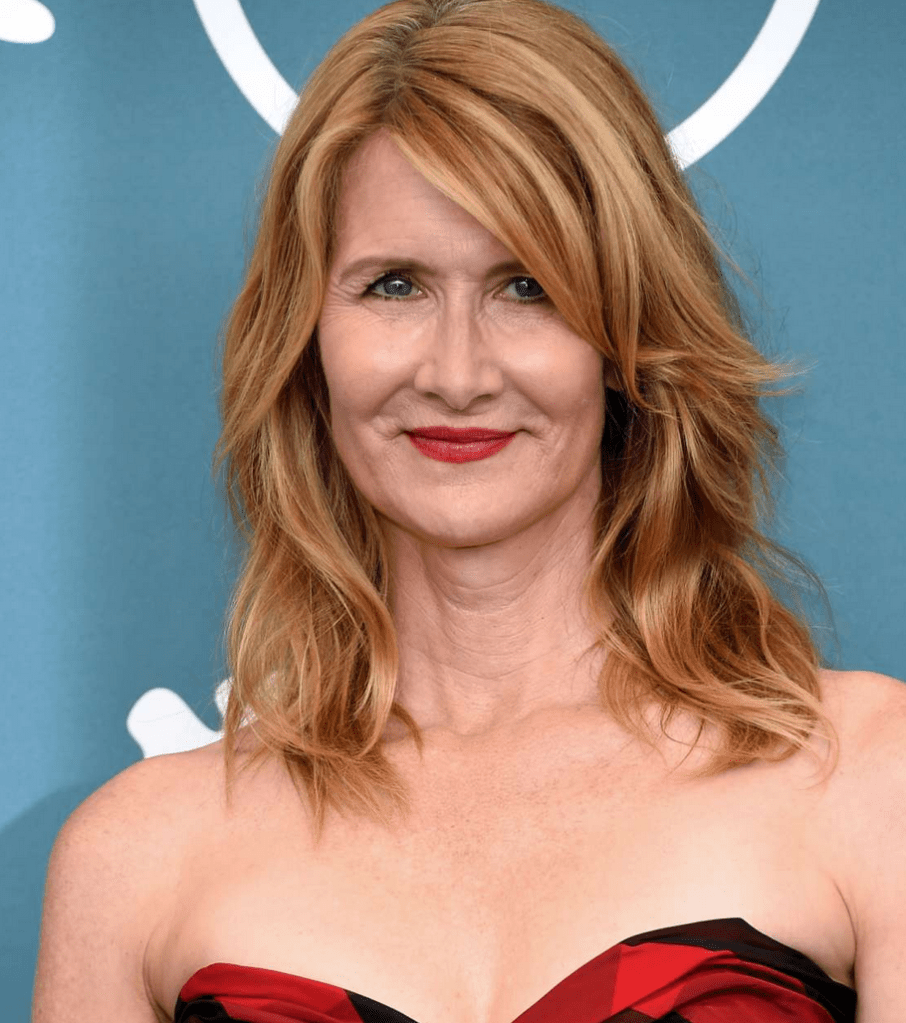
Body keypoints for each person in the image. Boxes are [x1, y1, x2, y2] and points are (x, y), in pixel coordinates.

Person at [32, 1, 905, 1021]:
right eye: (394, 285)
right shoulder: (135, 857)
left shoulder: (869, 777)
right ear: (307, 339)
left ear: (628, 334)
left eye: (527, 286)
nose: (457, 373)